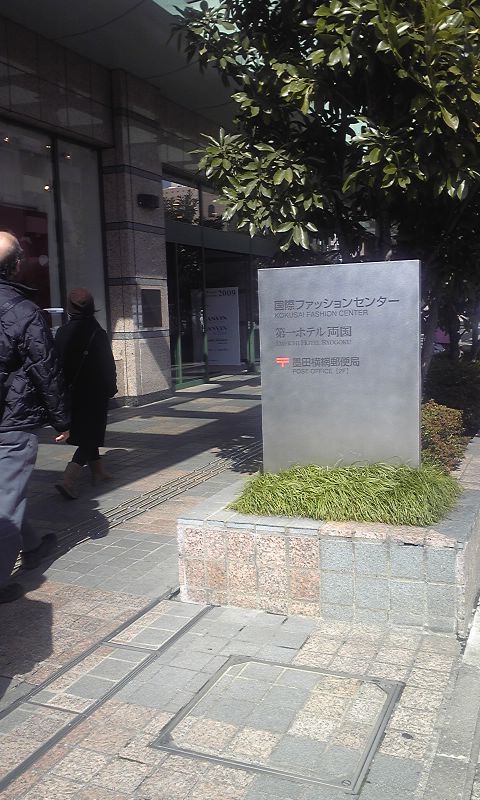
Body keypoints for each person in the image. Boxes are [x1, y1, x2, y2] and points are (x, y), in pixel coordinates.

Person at [0, 232, 70, 604]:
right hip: (12, 422)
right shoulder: (25, 311)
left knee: (7, 493)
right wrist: (62, 420)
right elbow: (46, 369)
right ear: (15, 265)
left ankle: (32, 545)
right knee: (7, 500)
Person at [55, 288, 117, 499]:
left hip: (70, 393)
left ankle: (98, 471)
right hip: (94, 393)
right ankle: (69, 479)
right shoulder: (97, 333)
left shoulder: (61, 332)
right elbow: (107, 365)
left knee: (89, 431)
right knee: (90, 435)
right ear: (91, 308)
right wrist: (111, 387)